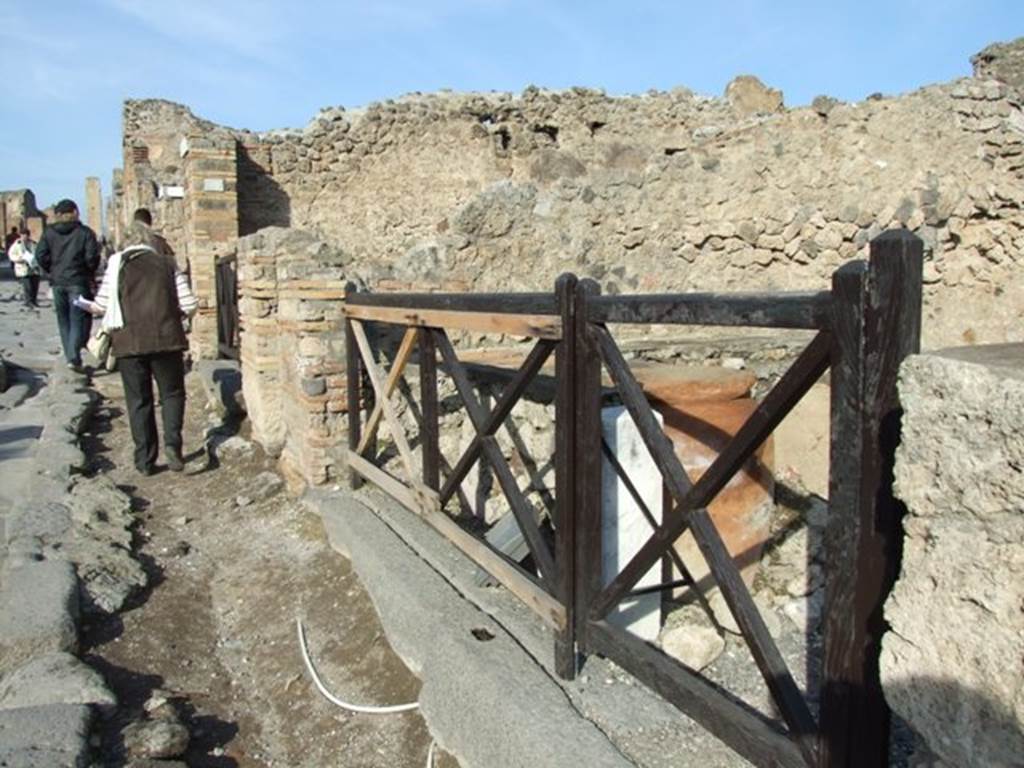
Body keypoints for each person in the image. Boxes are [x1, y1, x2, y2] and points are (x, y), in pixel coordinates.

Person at [91, 221, 198, 475]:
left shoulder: (116, 266)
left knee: (139, 400)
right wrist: (175, 316)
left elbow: (100, 305)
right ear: (148, 240)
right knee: (171, 394)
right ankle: (173, 446)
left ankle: (145, 460)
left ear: (125, 242)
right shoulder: (166, 264)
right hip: (166, 339)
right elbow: (190, 303)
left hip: (129, 342)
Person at [35, 199, 100, 370]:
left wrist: (52, 269)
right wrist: (87, 271)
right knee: (78, 319)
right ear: (74, 212)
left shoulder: (49, 233)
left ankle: (71, 356)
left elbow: (40, 255)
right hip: (78, 283)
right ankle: (74, 356)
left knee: (63, 320)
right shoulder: (85, 233)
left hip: (58, 284)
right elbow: (92, 257)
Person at [7, 228, 41, 307]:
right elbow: (11, 255)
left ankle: (34, 300)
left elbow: (39, 253)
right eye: (23, 235)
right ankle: (28, 301)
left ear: (28, 235)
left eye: (26, 235)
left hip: (34, 268)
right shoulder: (17, 244)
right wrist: (19, 259)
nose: (24, 237)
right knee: (27, 286)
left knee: (35, 285)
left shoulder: (33, 243)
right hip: (23, 267)